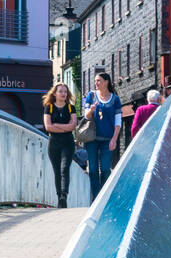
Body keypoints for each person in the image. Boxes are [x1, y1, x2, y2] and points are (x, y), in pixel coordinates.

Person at [82, 69, 122, 202]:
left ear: (106, 82)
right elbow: (86, 116)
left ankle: (104, 198)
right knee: (93, 170)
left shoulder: (115, 99)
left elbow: (118, 121)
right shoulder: (91, 96)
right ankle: (96, 200)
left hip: (108, 139)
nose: (96, 83)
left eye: (98, 80)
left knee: (105, 169)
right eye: (95, 81)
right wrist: (91, 110)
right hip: (91, 138)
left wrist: (114, 139)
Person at [42, 82, 77, 208]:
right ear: (55, 93)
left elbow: (73, 126)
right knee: (57, 171)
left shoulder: (70, 108)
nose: (63, 93)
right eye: (60, 91)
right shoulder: (49, 108)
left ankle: (64, 195)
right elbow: (48, 127)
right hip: (54, 143)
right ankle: (59, 199)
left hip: (68, 142)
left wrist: (56, 125)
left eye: (65, 91)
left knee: (64, 169)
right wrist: (65, 127)